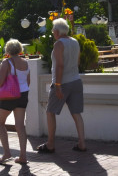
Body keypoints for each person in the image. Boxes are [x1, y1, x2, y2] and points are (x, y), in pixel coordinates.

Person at [37, 17, 87, 153]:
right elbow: (77, 62)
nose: (53, 32)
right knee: (76, 113)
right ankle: (82, 143)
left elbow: (60, 65)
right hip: (76, 80)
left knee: (50, 112)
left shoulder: (59, 44)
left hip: (62, 82)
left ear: (57, 31)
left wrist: (58, 85)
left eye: (53, 30)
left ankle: (50, 144)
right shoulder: (75, 42)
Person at [0, 39, 30, 165]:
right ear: (20, 49)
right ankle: (23, 156)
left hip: (10, 96)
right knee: (20, 126)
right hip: (23, 95)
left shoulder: (6, 62)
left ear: (8, 50)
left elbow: (0, 82)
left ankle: (7, 153)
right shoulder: (26, 62)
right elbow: (28, 81)